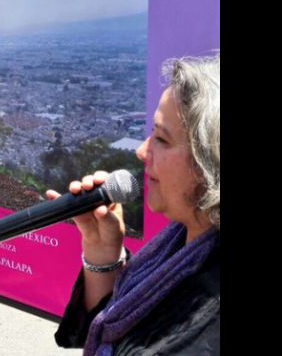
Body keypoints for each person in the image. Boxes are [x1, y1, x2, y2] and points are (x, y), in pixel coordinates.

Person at [53, 54, 220, 354]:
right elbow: (114, 327)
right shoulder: (181, 242)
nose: (142, 151)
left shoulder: (202, 331)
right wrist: (103, 254)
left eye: (162, 139)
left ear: (210, 166)